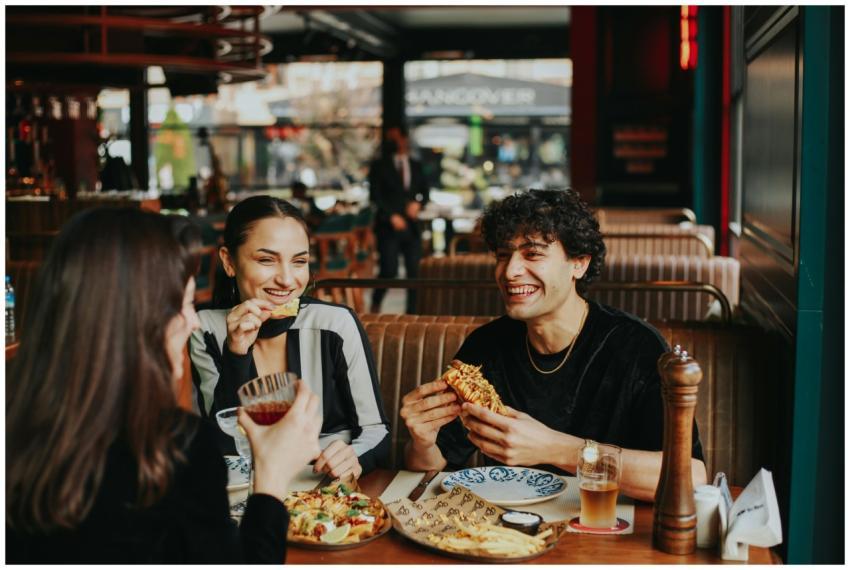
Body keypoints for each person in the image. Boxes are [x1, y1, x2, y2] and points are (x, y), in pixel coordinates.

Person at [6, 208, 322, 563]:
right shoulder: (175, 451)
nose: (193, 324)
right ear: (133, 317)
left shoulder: (17, 434)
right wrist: (272, 474)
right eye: (183, 305)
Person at [398, 189, 707, 502]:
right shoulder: (486, 347)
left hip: (609, 527)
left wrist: (557, 449)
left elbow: (691, 476)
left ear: (579, 264)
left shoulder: (635, 347)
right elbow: (432, 466)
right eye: (503, 255)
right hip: (506, 534)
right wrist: (423, 441)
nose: (509, 271)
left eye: (532, 254)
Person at [190, 195, 390, 480]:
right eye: (266, 260)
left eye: (299, 261)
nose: (287, 279)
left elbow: (376, 432)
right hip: (249, 492)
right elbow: (224, 445)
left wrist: (352, 458)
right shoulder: (206, 330)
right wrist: (236, 354)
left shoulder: (335, 324)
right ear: (229, 262)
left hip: (327, 492)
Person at [368, 125, 429, 313]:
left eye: (396, 138)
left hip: (412, 227)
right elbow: (375, 196)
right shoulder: (379, 166)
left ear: (404, 139)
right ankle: (376, 304)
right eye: (389, 139)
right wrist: (391, 216)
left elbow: (425, 193)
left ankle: (412, 313)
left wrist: (418, 204)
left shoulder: (416, 165)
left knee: (414, 273)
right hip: (388, 227)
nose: (393, 142)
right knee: (388, 270)